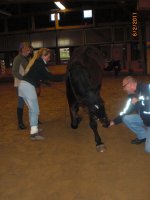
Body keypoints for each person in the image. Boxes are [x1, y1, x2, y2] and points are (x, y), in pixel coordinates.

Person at [18, 48, 65, 140]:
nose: (49, 58)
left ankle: (34, 129)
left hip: (23, 87)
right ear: (44, 55)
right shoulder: (40, 64)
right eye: (49, 56)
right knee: (35, 110)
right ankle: (34, 134)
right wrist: (64, 77)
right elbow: (50, 76)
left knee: (32, 110)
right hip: (28, 87)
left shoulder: (37, 62)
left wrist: (45, 82)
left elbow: (39, 75)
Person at [109, 76, 150, 153]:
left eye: (124, 86)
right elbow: (125, 111)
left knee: (148, 149)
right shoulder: (132, 95)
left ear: (130, 84)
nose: (124, 89)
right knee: (126, 118)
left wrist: (138, 103)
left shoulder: (148, 88)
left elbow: (147, 107)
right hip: (145, 119)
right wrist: (113, 122)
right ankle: (143, 136)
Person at [12, 42, 31, 129]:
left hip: (28, 83)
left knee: (31, 100)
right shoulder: (17, 58)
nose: (29, 50)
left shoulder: (27, 58)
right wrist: (23, 78)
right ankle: (20, 123)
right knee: (21, 102)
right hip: (20, 84)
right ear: (22, 49)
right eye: (27, 48)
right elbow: (14, 72)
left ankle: (34, 118)